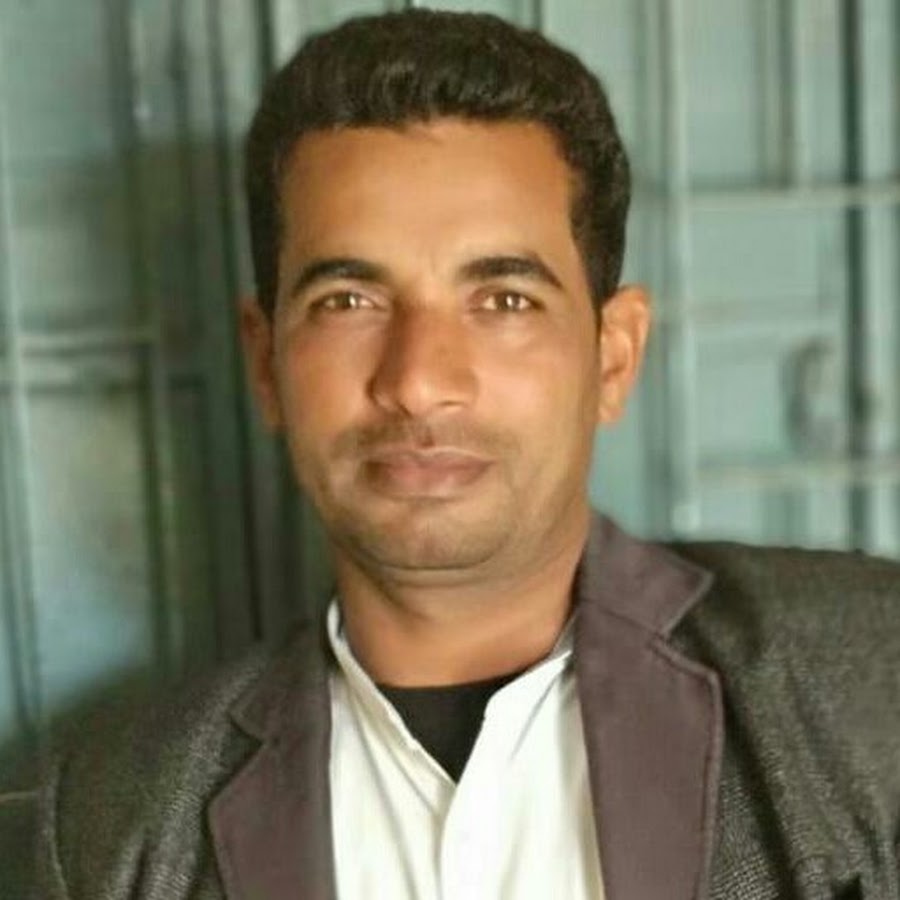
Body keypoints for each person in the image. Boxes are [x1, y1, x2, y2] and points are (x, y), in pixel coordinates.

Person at [36, 9, 899, 900]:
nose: (418, 381)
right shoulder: (110, 819)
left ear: (612, 358)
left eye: (504, 301)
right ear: (265, 363)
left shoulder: (870, 692)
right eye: (348, 301)